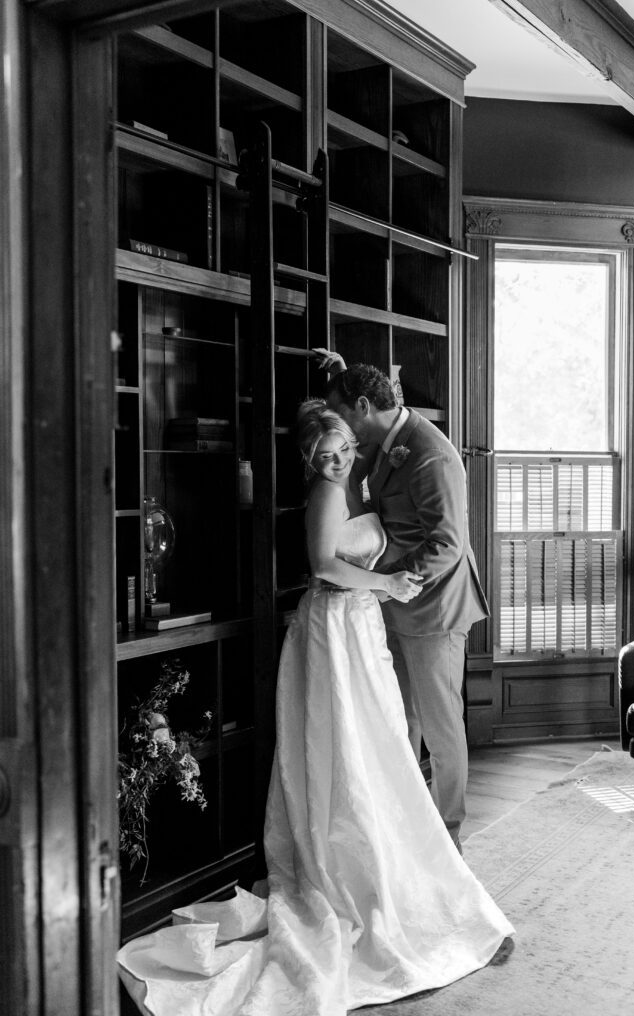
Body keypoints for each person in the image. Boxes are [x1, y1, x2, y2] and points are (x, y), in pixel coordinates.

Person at [117, 401, 513, 1016]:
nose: (336, 460)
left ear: (356, 443)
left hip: (363, 627)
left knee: (381, 742)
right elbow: (324, 565)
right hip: (335, 626)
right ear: (309, 458)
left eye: (344, 449)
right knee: (349, 746)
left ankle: (405, 852)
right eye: (324, 454)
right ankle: (351, 863)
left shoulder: (364, 477)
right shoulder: (329, 494)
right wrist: (387, 583)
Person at [315, 349, 489, 853]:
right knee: (401, 718)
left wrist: (393, 582)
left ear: (364, 406)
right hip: (394, 602)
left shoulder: (431, 453)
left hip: (432, 606)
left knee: (440, 725)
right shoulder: (388, 434)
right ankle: (411, 826)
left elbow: (448, 544)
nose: (337, 428)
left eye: (341, 414)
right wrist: (343, 367)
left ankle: (449, 835)